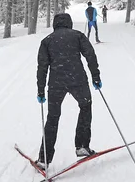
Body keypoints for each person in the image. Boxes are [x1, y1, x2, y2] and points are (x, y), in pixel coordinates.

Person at [36, 12, 102, 165]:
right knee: (85, 106)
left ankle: (44, 159)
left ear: (55, 24)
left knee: (53, 117)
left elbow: (42, 67)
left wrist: (40, 90)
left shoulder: (47, 41)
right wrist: (96, 77)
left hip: (55, 83)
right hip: (77, 79)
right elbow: (90, 55)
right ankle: (82, 146)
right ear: (69, 23)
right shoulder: (77, 36)